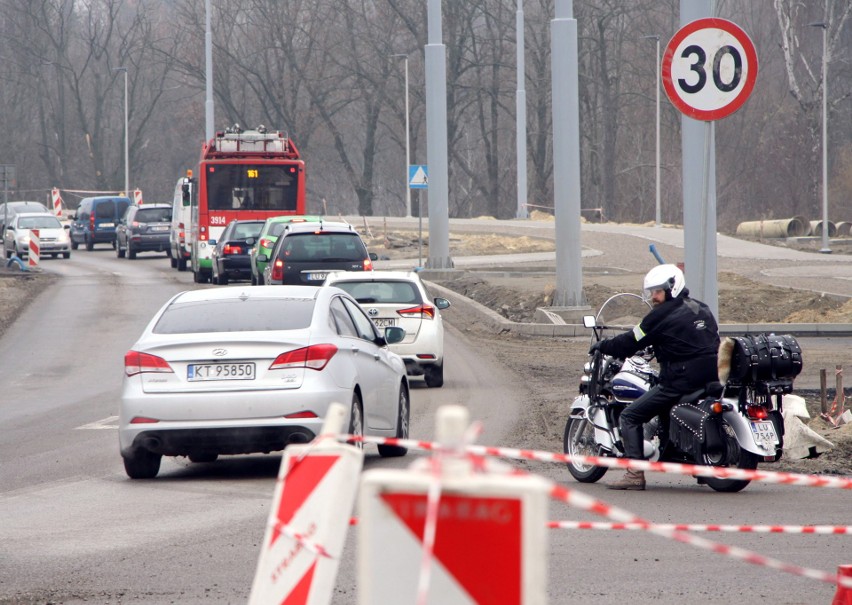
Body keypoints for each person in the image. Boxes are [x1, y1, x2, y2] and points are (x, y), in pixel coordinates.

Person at [589, 264, 720, 490]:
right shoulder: (702, 308)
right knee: (664, 408)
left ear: (672, 287)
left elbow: (631, 341)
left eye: (657, 291)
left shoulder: (659, 316)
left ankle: (634, 474)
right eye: (651, 291)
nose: (653, 296)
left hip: (679, 380)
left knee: (630, 416)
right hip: (711, 376)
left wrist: (604, 345)